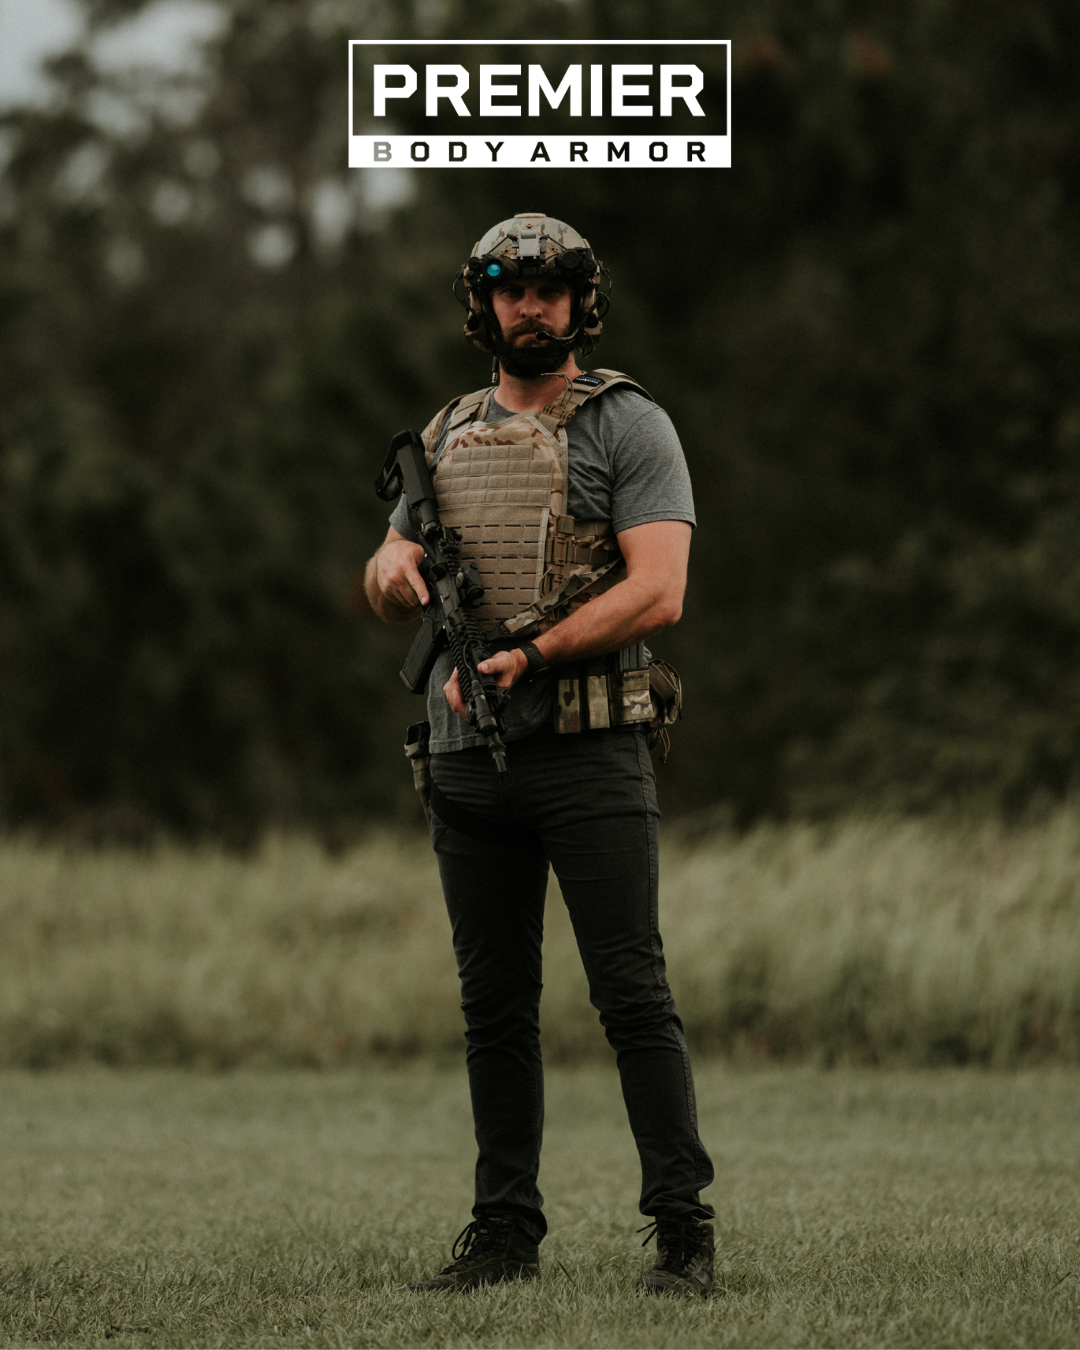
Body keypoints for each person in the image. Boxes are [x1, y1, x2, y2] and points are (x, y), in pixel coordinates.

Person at [364, 212, 715, 1297]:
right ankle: (504, 1233)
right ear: (484, 303)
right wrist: (392, 575)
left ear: (579, 300)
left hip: (591, 750)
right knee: (495, 1008)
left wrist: (535, 653)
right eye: (512, 288)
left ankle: (683, 1234)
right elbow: (384, 565)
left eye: (552, 288)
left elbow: (661, 589)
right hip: (467, 755)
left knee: (631, 995)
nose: (533, 305)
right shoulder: (447, 432)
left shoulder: (627, 424)